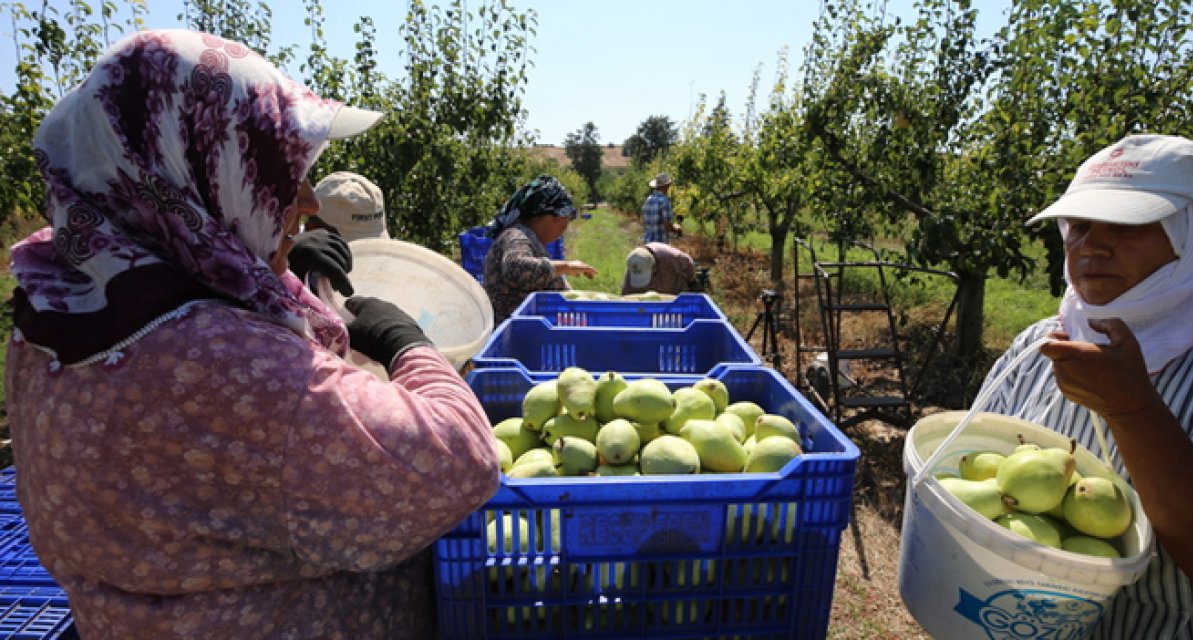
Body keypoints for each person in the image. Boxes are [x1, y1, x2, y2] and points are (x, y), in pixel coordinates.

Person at [3, 29, 501, 639]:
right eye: (271, 170)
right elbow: (459, 464)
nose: (309, 199)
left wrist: (285, 274)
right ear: (194, 169)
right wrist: (405, 343)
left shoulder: (63, 301)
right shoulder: (223, 361)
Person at [978, 134, 1193, 637]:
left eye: (1129, 223)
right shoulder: (1038, 347)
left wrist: (1133, 410)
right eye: (1079, 225)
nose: (1091, 245)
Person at [482, 174, 597, 321]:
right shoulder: (516, 236)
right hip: (516, 336)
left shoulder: (527, 237)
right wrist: (567, 266)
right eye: (566, 220)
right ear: (554, 217)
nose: (565, 227)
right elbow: (516, 268)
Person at [621, 241, 697, 295]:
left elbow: (689, 266)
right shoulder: (634, 264)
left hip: (676, 295)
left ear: (653, 267)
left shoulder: (671, 257)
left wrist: (691, 282)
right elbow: (627, 294)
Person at [642, 171, 680, 243]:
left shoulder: (648, 199)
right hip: (660, 244)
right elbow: (667, 226)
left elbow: (645, 222)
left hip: (647, 242)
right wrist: (677, 229)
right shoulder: (664, 201)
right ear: (666, 186)